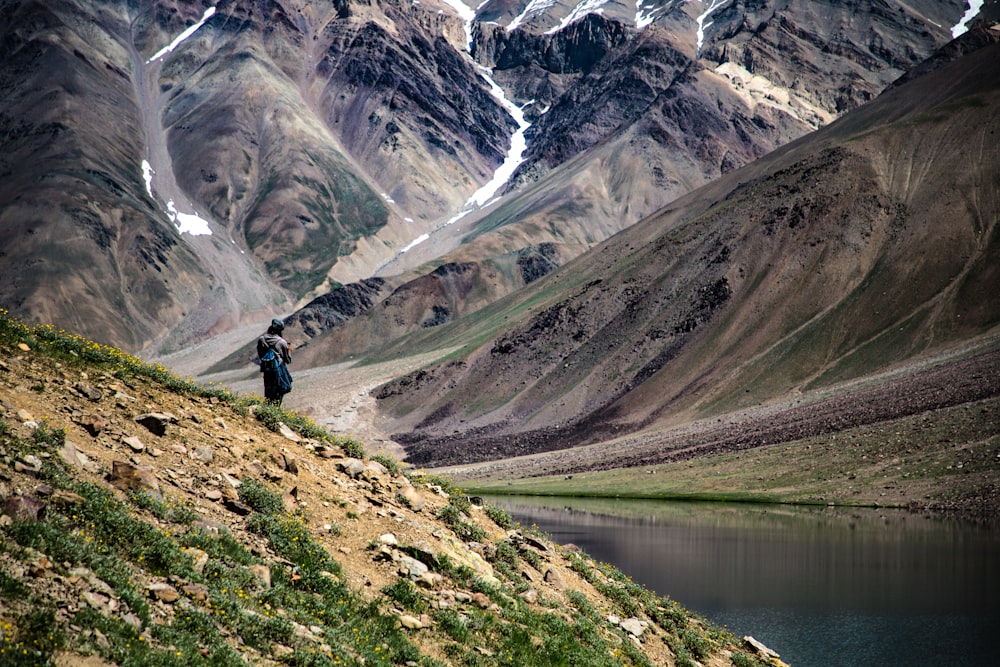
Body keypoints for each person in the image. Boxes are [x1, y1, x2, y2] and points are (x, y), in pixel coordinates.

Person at [257, 317, 291, 405]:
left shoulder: (262, 339)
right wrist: (289, 350)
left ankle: (266, 410)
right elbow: (287, 360)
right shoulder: (282, 342)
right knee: (280, 389)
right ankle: (275, 412)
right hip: (278, 369)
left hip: (267, 369)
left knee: (268, 390)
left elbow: (260, 355)